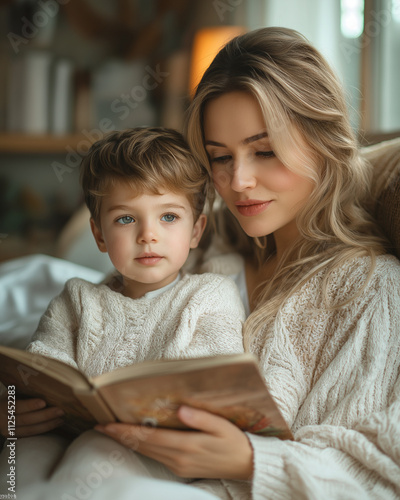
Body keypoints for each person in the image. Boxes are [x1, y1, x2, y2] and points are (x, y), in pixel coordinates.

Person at [2, 27, 400, 500]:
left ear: (323, 141)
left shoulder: (370, 290)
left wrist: (251, 460)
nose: (239, 182)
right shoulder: (207, 238)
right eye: (219, 157)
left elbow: (381, 470)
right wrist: (12, 406)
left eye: (265, 150)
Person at [0, 127, 245, 498]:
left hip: (155, 447)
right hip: (67, 430)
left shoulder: (210, 295)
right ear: (99, 235)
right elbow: (39, 372)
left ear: (196, 230)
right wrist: (12, 414)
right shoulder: (77, 299)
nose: (148, 235)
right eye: (126, 219)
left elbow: (214, 381)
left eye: (168, 217)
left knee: (94, 452)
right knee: (20, 458)